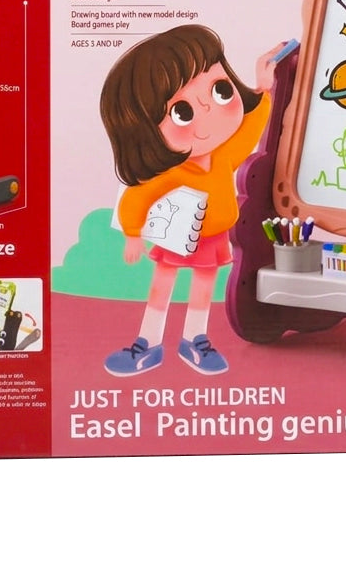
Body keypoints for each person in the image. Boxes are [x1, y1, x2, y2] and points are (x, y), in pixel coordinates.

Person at [99, 25, 280, 376]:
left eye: (221, 90)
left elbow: (249, 131)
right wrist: (133, 233)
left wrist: (263, 89)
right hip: (178, 236)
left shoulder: (223, 156)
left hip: (212, 237)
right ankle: (148, 342)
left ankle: (195, 339)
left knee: (203, 287)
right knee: (163, 283)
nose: (209, 110)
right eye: (182, 112)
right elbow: (138, 195)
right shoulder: (173, 173)